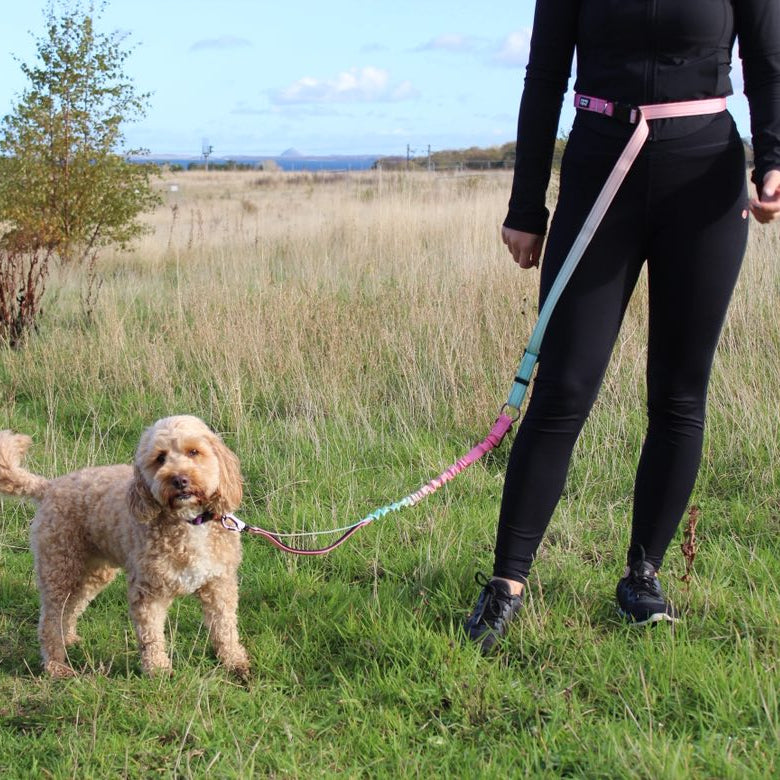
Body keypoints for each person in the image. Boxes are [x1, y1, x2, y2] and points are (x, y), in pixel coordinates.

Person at [465, 0, 780, 653]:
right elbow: (544, 76)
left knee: (679, 393)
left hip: (704, 181)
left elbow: (769, 63)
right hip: (599, 168)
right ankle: (506, 585)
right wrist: (526, 203)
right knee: (563, 388)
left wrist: (773, 157)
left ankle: (643, 577)